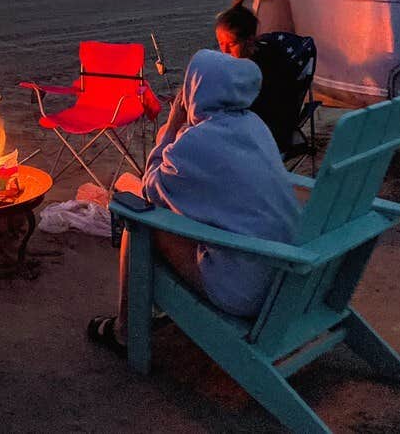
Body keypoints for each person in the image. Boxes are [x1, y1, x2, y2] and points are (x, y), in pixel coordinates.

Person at [88, 50, 300, 352]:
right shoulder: (255, 126)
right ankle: (154, 309)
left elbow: (152, 188)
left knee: (139, 221)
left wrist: (173, 124)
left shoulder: (198, 142)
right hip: (284, 275)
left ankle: (125, 330)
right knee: (170, 214)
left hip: (244, 288)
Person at [216, 0, 316, 151]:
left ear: (249, 40)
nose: (225, 50)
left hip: (268, 128)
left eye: (231, 44)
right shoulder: (244, 58)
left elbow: (258, 103)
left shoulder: (262, 66)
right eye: (221, 43)